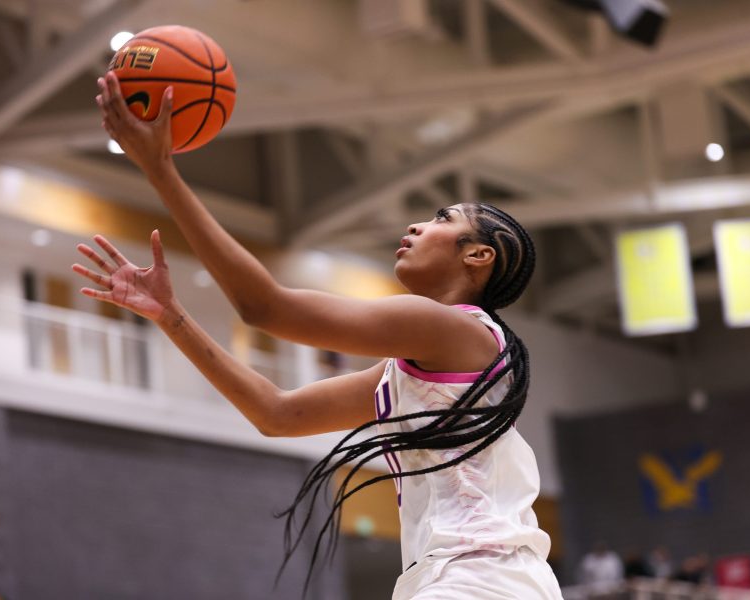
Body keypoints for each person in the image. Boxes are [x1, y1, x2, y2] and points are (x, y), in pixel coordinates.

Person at [79, 71, 563, 599]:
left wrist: (162, 173)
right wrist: (171, 315)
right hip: (466, 579)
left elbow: (265, 307)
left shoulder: (450, 327)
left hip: (479, 578)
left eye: (443, 218)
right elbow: (277, 414)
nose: (419, 225)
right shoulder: (414, 367)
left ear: (477, 255)